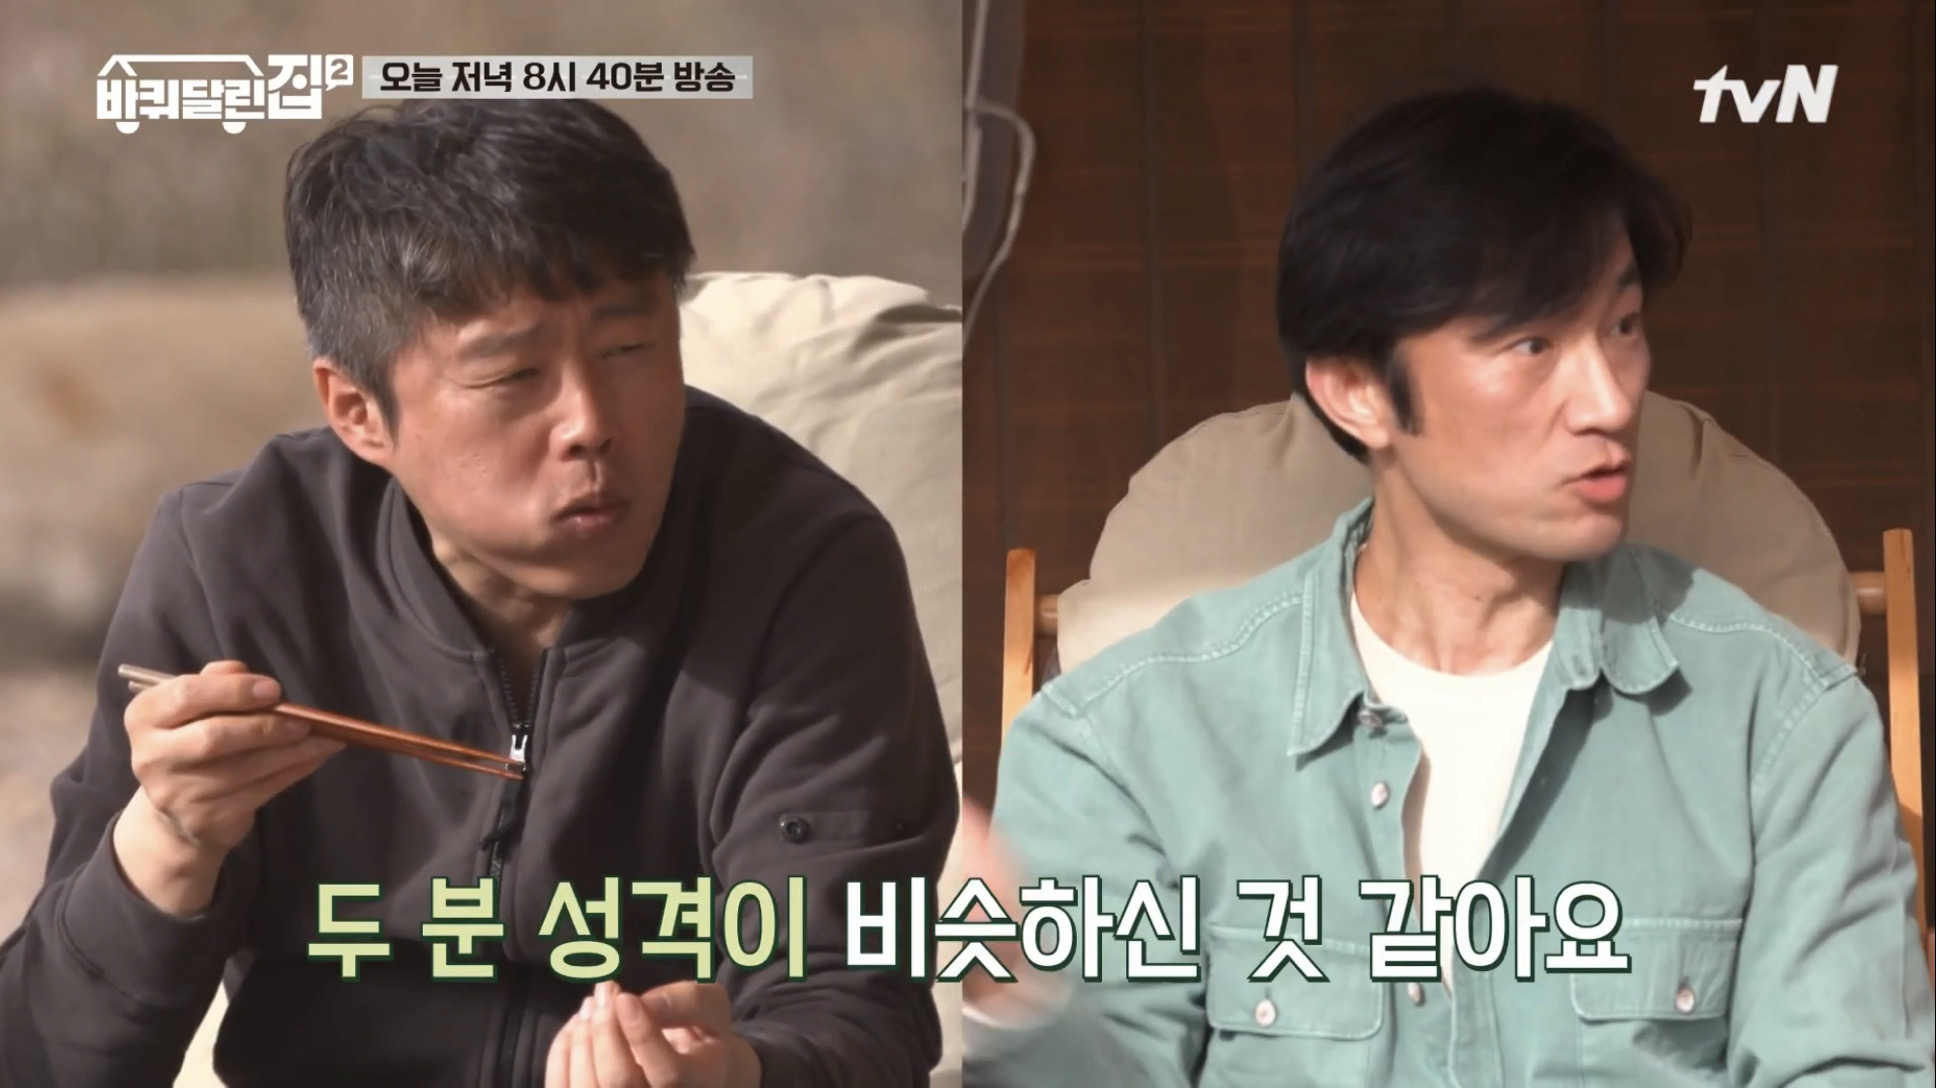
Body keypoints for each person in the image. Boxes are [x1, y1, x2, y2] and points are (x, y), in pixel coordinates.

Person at [961, 85, 1935, 1086]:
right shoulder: (1124, 743)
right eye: (1532, 344)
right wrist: (1019, 992)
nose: (1609, 399)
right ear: (1357, 389)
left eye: (1623, 326)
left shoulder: (1780, 723)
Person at [0, 99, 957, 1088]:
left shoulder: (800, 562)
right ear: (359, 411)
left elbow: (858, 1002)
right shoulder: (237, 563)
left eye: (630, 349)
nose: (590, 422)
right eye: (513, 374)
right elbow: (37, 1058)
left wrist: (739, 1073)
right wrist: (167, 843)